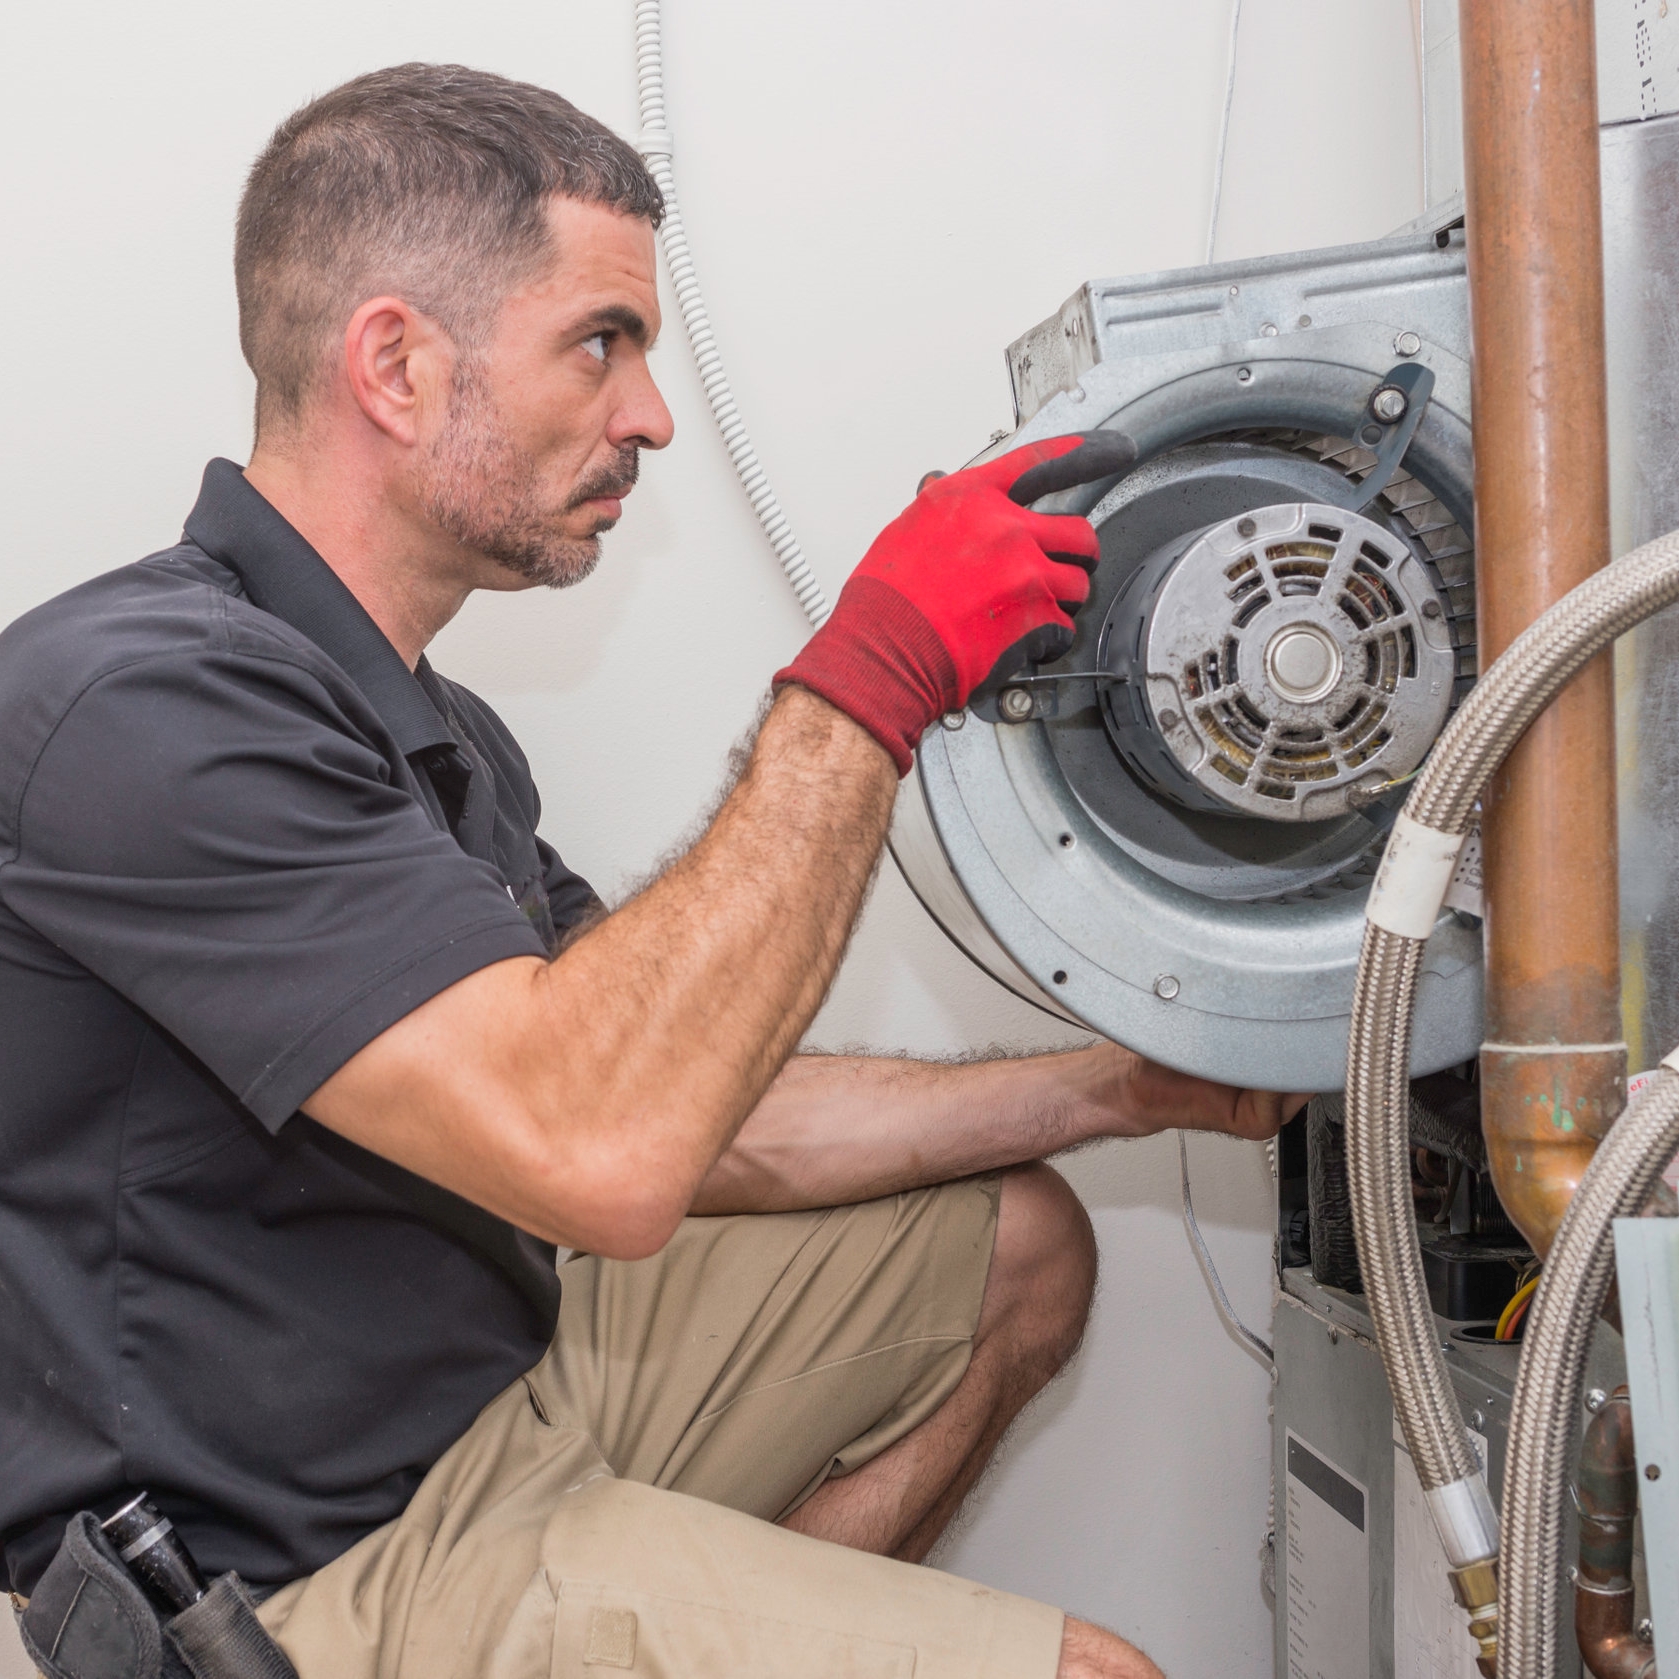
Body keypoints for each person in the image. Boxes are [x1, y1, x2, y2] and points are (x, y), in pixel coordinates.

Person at [0, 64, 1302, 1679]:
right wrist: (870, 678)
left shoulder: (426, 723)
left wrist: (1119, 1087)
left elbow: (706, 1119)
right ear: (395, 365)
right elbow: (605, 1152)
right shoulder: (140, 709)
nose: (650, 414)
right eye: (599, 343)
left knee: (1016, 1242)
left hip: (479, 1389)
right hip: (290, 1570)